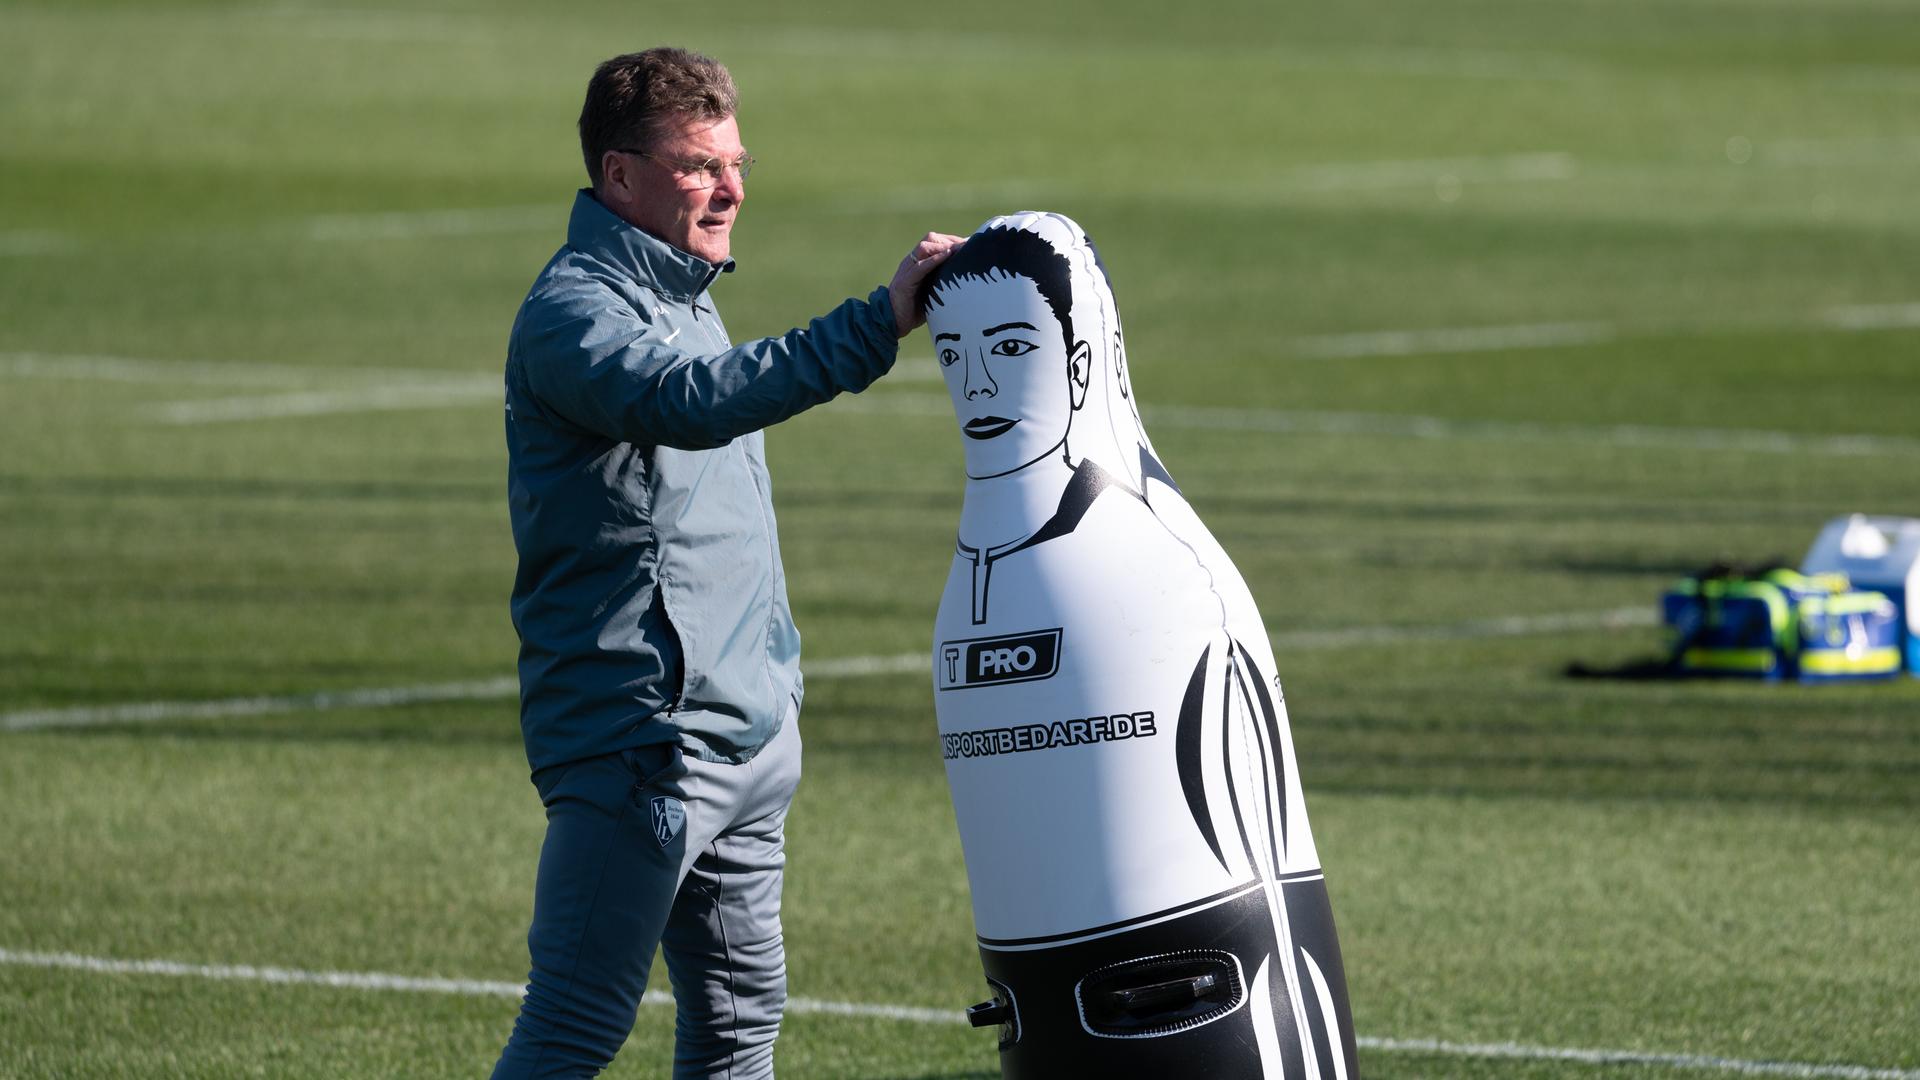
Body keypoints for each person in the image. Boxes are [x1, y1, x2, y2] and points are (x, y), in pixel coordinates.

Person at [493, 47, 961, 1078]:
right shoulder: (577, 313)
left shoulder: (684, 291)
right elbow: (691, 404)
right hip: (642, 747)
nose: (732, 188)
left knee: (742, 1029)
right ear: (620, 176)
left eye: (735, 161)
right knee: (574, 1026)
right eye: (700, 165)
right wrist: (876, 322)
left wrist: (776, 691)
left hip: (743, 740)